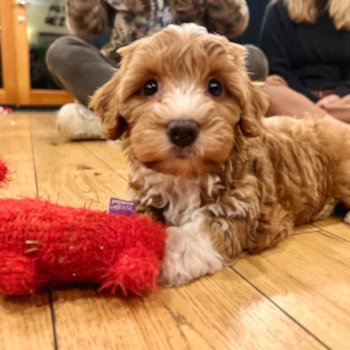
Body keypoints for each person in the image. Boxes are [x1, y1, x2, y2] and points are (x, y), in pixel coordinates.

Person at [46, 0, 269, 140]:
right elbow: (86, 30)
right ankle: (120, 109)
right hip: (128, 74)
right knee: (62, 51)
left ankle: (109, 122)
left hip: (198, 81)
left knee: (254, 58)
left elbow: (235, 26)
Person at [260, 0, 350, 126]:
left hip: (340, 102)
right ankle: (340, 129)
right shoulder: (279, 8)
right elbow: (276, 68)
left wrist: (337, 95)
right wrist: (308, 101)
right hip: (293, 97)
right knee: (266, 88)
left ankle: (320, 122)